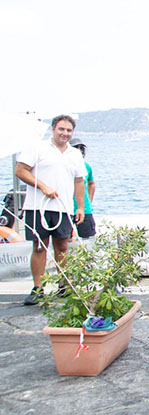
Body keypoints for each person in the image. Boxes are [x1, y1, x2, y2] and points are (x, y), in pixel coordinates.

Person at [15, 115, 86, 305]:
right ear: (53, 129)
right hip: (38, 206)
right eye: (61, 129)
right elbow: (20, 171)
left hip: (63, 207)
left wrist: (80, 207)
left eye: (69, 130)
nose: (65, 133)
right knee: (39, 246)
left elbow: (79, 181)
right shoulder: (37, 148)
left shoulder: (75, 154)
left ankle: (64, 286)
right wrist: (42, 186)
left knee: (62, 247)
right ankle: (38, 289)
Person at [69, 138, 96, 239]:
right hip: (67, 209)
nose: (79, 150)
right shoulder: (62, 166)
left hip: (84, 210)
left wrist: (88, 201)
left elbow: (91, 183)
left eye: (81, 148)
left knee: (89, 239)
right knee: (64, 240)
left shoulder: (86, 166)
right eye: (76, 147)